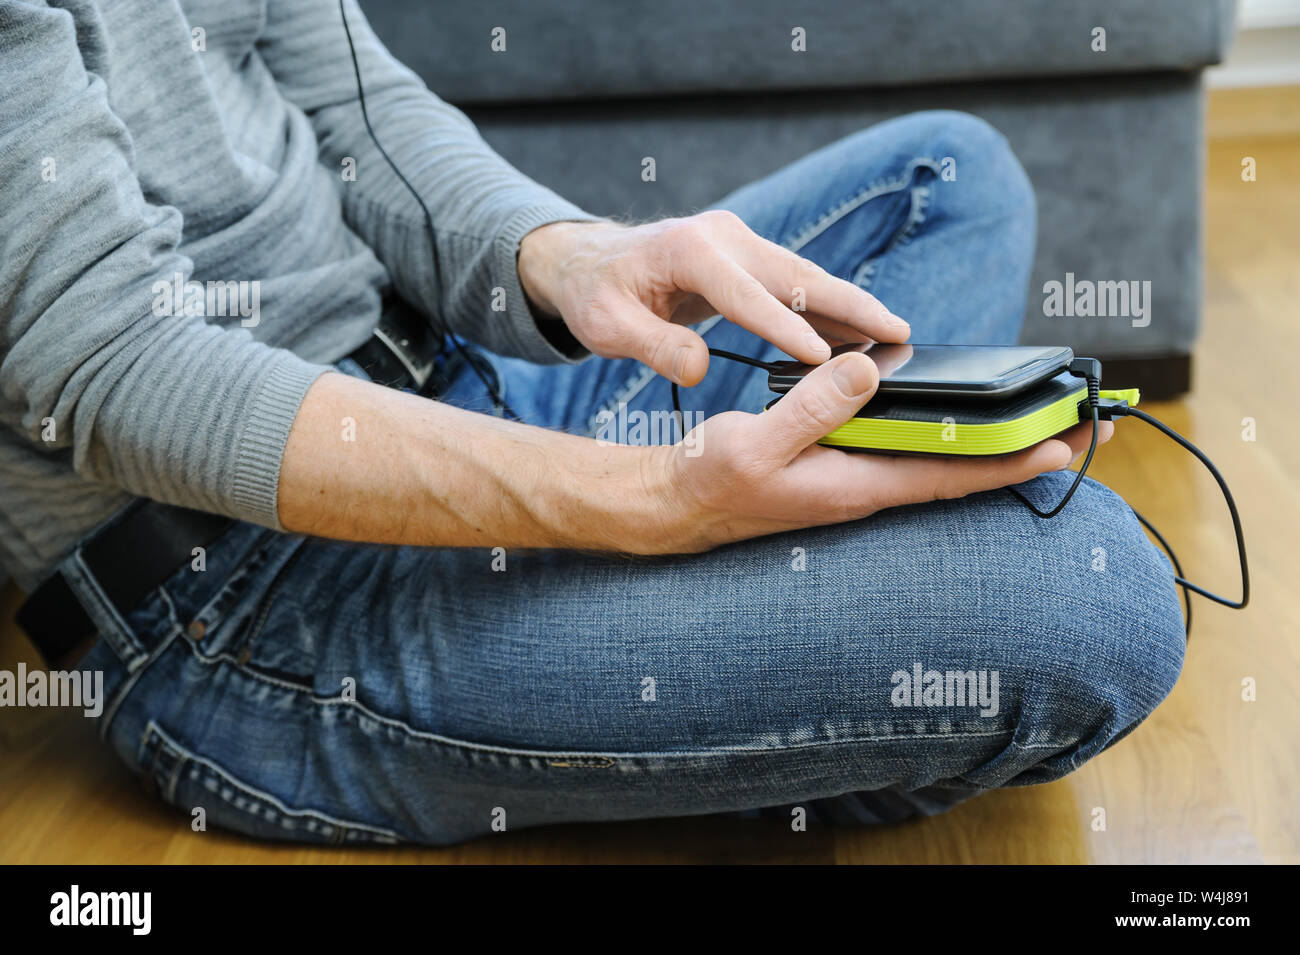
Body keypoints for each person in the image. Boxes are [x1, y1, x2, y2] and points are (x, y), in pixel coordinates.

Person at [0, 0, 1184, 845]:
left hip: (464, 381)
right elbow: (106, 361)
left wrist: (578, 256)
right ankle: (757, 683)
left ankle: (734, 673)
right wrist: (649, 505)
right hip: (249, 589)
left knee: (945, 178)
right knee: (1100, 597)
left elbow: (367, 121)